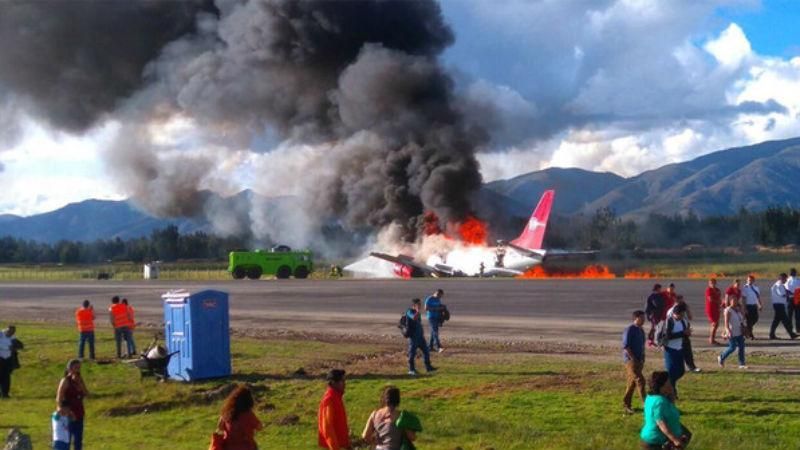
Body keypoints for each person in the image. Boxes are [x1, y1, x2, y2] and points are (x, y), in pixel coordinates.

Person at [639, 371, 692, 449]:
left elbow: (670, 411)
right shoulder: (659, 402)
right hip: (655, 442)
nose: (670, 384)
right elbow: (660, 423)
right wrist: (675, 440)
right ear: (662, 386)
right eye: (668, 382)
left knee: (687, 434)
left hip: (663, 440)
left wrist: (672, 396)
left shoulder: (651, 397)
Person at [216, 385, 263, 450]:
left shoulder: (227, 412)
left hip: (228, 447)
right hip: (247, 447)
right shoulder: (248, 414)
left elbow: (220, 427)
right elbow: (259, 427)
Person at [56, 359, 88, 450]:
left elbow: (86, 393)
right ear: (70, 369)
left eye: (79, 368)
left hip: (79, 411)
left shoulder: (79, 380)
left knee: (78, 439)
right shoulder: (65, 381)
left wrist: (80, 384)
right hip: (68, 412)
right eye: (76, 368)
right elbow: (59, 397)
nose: (78, 370)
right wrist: (59, 407)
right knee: (67, 438)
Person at [666, 294, 700, 373]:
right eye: (680, 300)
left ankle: (692, 367)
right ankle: (676, 368)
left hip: (684, 335)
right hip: (675, 337)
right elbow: (668, 329)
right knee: (676, 354)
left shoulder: (684, 309)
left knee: (688, 352)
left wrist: (687, 331)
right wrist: (682, 332)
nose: (683, 302)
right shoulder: (671, 311)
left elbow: (689, 318)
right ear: (676, 301)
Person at [318, 369, 351, 450]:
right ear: (333, 382)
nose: (344, 384)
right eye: (342, 381)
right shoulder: (329, 399)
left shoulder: (336, 397)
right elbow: (327, 428)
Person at [662, 303, 690, 397]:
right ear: (675, 313)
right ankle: (671, 392)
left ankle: (668, 385)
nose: (682, 317)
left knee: (681, 371)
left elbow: (685, 333)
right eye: (680, 315)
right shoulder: (669, 321)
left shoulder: (684, 322)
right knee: (671, 372)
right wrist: (682, 333)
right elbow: (668, 336)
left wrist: (687, 334)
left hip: (679, 349)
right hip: (669, 349)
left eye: (683, 315)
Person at [622, 310, 646, 414]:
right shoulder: (629, 330)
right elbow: (626, 346)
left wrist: (642, 357)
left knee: (632, 383)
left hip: (639, 360)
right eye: (642, 318)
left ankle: (626, 404)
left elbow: (642, 345)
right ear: (635, 318)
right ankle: (646, 404)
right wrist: (633, 358)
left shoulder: (641, 330)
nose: (644, 320)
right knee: (640, 380)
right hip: (631, 361)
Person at [405, 298, 436, 376]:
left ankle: (428, 367)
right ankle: (411, 370)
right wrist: (417, 311)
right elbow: (414, 318)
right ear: (414, 305)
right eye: (418, 304)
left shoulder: (417, 313)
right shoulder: (409, 312)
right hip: (413, 338)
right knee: (412, 354)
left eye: (420, 304)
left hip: (420, 337)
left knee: (426, 351)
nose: (420, 306)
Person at [718, 295, 747, 369]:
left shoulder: (738, 310)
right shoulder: (728, 310)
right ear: (730, 302)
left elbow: (742, 320)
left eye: (736, 301)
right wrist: (727, 331)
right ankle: (721, 357)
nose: (735, 302)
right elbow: (726, 323)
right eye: (733, 301)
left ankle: (742, 363)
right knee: (732, 347)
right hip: (732, 332)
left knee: (741, 347)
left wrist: (744, 328)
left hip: (739, 332)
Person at [769, 273, 798, 340]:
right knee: (785, 320)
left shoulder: (780, 285)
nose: (786, 280)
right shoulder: (779, 285)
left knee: (776, 321)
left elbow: (786, 291)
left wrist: (792, 293)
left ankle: (772, 334)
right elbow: (782, 294)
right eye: (785, 279)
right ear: (781, 278)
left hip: (779, 305)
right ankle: (791, 334)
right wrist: (790, 295)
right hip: (778, 305)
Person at [741, 275, 762, 340]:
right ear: (747, 280)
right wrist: (744, 308)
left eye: (751, 280)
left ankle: (746, 330)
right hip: (748, 306)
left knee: (755, 319)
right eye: (749, 280)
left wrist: (759, 305)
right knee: (749, 321)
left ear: (753, 281)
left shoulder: (756, 288)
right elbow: (743, 299)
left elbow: (758, 297)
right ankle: (750, 335)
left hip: (754, 306)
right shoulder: (745, 288)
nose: (750, 281)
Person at [705, 278, 723, 344]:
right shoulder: (708, 290)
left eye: (714, 283)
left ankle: (712, 338)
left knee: (716, 324)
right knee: (714, 324)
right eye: (711, 283)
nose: (713, 284)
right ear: (709, 284)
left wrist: (721, 303)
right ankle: (711, 339)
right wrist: (719, 302)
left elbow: (719, 298)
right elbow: (710, 299)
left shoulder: (718, 290)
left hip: (716, 309)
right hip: (710, 309)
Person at [786, 268, 800, 333]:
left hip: (790, 299)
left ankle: (790, 329)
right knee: (798, 315)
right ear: (795, 273)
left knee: (789, 315)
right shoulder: (798, 280)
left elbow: (786, 290)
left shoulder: (787, 280)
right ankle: (798, 329)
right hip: (797, 299)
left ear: (790, 273)